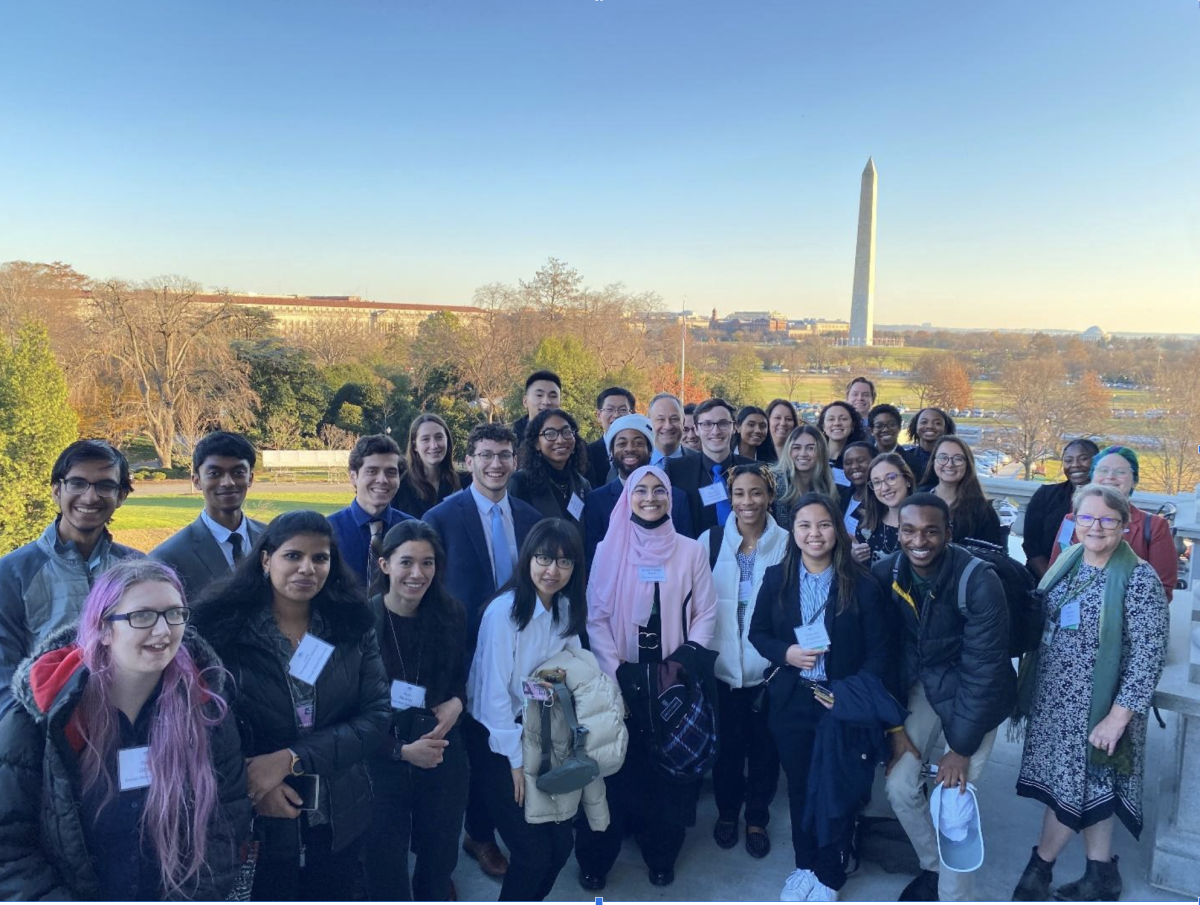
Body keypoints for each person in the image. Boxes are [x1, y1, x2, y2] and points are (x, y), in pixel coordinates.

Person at [0, 559, 250, 900]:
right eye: (142, 616)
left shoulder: (206, 710)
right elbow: (9, 844)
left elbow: (224, 824)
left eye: (174, 614)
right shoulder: (40, 717)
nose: (163, 631)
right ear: (103, 628)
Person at [192, 510, 391, 902]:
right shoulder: (219, 628)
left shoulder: (352, 623)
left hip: (339, 810)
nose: (307, 569)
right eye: (293, 556)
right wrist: (253, 786)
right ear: (266, 559)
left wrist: (289, 759)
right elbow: (204, 726)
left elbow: (376, 717)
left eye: (320, 558)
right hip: (257, 818)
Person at [1010, 484, 1168, 902]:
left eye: (1107, 519)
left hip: (1100, 709)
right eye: (1087, 518)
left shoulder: (1138, 579)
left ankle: (1038, 870)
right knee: (1092, 789)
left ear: (1125, 524)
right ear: (1074, 521)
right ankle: (1101, 875)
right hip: (1056, 702)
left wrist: (1118, 718)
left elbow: (1148, 656)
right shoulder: (1070, 558)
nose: (1095, 527)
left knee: (1070, 789)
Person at [748, 493, 895, 903]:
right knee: (799, 786)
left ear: (838, 530)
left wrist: (848, 694)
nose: (815, 534)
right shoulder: (778, 579)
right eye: (805, 526)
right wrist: (787, 654)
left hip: (840, 703)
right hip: (793, 699)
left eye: (824, 525)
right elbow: (758, 632)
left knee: (837, 788)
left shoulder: (862, 585)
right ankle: (804, 864)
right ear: (793, 532)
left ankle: (830, 873)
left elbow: (880, 652)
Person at [576, 465, 717, 888]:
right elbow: (596, 617)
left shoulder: (690, 551)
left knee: (666, 777)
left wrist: (681, 667)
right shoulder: (608, 548)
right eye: (642, 490)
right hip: (620, 678)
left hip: (672, 680)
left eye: (659, 490)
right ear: (628, 497)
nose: (651, 498)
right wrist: (616, 675)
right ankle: (596, 860)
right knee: (612, 771)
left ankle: (661, 854)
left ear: (670, 498)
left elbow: (705, 613)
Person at [874, 494, 1015, 902]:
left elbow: (985, 672)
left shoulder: (979, 581)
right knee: (900, 785)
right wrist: (896, 727)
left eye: (931, 531)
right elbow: (886, 654)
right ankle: (933, 867)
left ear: (948, 533)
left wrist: (960, 749)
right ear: (897, 531)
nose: (920, 540)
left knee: (953, 803)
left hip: (978, 694)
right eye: (909, 530)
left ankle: (955, 896)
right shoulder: (887, 573)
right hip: (925, 684)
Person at [423, 422, 542, 879]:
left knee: (506, 745)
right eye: (486, 455)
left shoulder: (530, 519)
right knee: (468, 751)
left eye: (505, 455)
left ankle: (487, 829)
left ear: (515, 461)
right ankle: (474, 836)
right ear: (468, 461)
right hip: (463, 656)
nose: (496, 464)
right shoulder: (441, 518)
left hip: (520, 657)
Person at [466, 519, 587, 901]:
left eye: (564, 563)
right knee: (533, 852)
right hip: (497, 740)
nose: (552, 571)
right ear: (527, 559)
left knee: (561, 849)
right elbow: (492, 699)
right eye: (544, 558)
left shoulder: (566, 609)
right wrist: (516, 764)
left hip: (544, 734)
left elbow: (576, 669)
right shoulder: (503, 614)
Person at [0, 439, 143, 720]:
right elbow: (3, 677)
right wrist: (33, 730)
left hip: (124, 728)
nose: (90, 497)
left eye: (105, 485)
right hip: (42, 730)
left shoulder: (140, 569)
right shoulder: (11, 573)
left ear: (121, 495)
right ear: (56, 490)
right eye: (77, 483)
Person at [364, 521, 469, 902]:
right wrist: (400, 751)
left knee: (439, 860)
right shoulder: (361, 621)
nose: (417, 573)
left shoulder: (451, 613)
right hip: (381, 756)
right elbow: (342, 709)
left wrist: (458, 702)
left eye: (427, 563)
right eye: (406, 562)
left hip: (440, 750)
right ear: (384, 564)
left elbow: (460, 678)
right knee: (385, 868)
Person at [700, 463, 788, 859]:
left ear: (770, 496)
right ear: (729, 497)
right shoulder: (711, 540)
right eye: (738, 493)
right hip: (723, 671)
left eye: (756, 493)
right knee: (728, 751)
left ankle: (756, 817)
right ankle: (726, 813)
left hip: (769, 673)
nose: (747, 501)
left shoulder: (789, 544)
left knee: (766, 752)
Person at [1048, 446, 1177, 602]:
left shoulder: (1155, 526)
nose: (1110, 477)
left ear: (1134, 481)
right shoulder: (1071, 520)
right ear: (1092, 477)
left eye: (1120, 472)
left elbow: (1162, 591)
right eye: (1103, 470)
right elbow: (1054, 572)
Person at [151, 431, 266, 599]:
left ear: (250, 478)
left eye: (238, 472)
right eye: (215, 473)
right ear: (196, 481)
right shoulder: (168, 558)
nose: (228, 482)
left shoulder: (272, 539)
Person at [582, 414, 693, 566]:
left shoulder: (676, 497)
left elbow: (686, 555)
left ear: (650, 450)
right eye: (621, 444)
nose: (630, 449)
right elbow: (593, 560)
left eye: (638, 443)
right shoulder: (596, 500)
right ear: (611, 452)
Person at [328, 434, 413, 589]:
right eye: (372, 471)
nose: (382, 479)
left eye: (391, 472)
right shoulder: (328, 531)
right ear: (353, 477)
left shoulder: (413, 530)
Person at [668, 397, 754, 535]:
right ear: (696, 429)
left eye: (723, 423)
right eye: (707, 424)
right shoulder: (676, 470)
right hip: (695, 553)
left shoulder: (756, 470)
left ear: (734, 428)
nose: (715, 431)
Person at [1022, 439, 1099, 581]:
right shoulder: (1045, 495)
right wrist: (1053, 582)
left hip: (1093, 586)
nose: (1075, 465)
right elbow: (1032, 546)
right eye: (1068, 460)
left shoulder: (1108, 504)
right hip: (1043, 580)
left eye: (1083, 459)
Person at [509, 408, 592, 529]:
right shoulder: (520, 483)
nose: (561, 440)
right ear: (536, 443)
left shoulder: (582, 484)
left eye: (567, 432)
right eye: (550, 434)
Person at [922, 436, 1004, 546]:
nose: (950, 464)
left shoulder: (982, 510)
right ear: (933, 462)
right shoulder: (919, 500)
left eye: (958, 459)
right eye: (943, 457)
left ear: (968, 465)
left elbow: (992, 556)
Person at [391, 413, 463, 519]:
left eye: (439, 437)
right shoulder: (399, 489)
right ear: (415, 445)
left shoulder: (465, 482)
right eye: (425, 439)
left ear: (447, 440)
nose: (434, 445)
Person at [851, 453, 917, 563]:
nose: (885, 488)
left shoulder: (927, 521)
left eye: (891, 478)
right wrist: (854, 559)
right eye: (877, 482)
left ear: (907, 480)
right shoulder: (866, 524)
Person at [772, 425, 837, 530]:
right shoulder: (773, 483)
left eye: (811, 448)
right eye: (796, 448)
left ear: (821, 451)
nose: (803, 454)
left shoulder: (828, 485)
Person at [585, 386, 636, 488]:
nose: (616, 415)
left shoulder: (642, 452)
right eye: (610, 409)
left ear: (633, 414)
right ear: (598, 415)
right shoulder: (586, 453)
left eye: (622, 409)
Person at [901, 407, 955, 481]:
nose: (930, 426)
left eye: (937, 423)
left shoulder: (953, 460)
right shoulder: (904, 459)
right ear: (916, 427)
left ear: (945, 429)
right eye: (924, 422)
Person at [818, 401, 868, 479]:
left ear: (853, 425)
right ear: (823, 426)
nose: (837, 423)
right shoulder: (814, 456)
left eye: (843, 419)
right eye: (831, 419)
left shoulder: (861, 458)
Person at [511, 370, 562, 445]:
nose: (546, 402)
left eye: (553, 396)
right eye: (539, 395)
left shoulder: (570, 440)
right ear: (525, 401)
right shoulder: (511, 440)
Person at [837, 441, 874, 535]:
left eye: (861, 461)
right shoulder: (841, 497)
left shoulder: (882, 500)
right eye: (848, 463)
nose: (854, 466)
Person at [647, 392, 691, 466]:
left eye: (674, 419)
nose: (667, 426)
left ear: (683, 422)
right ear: (649, 422)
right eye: (660, 419)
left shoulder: (701, 462)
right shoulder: (635, 463)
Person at [766, 398, 799, 463]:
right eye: (777, 418)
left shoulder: (800, 454)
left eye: (788, 419)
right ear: (767, 420)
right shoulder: (757, 452)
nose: (783, 423)